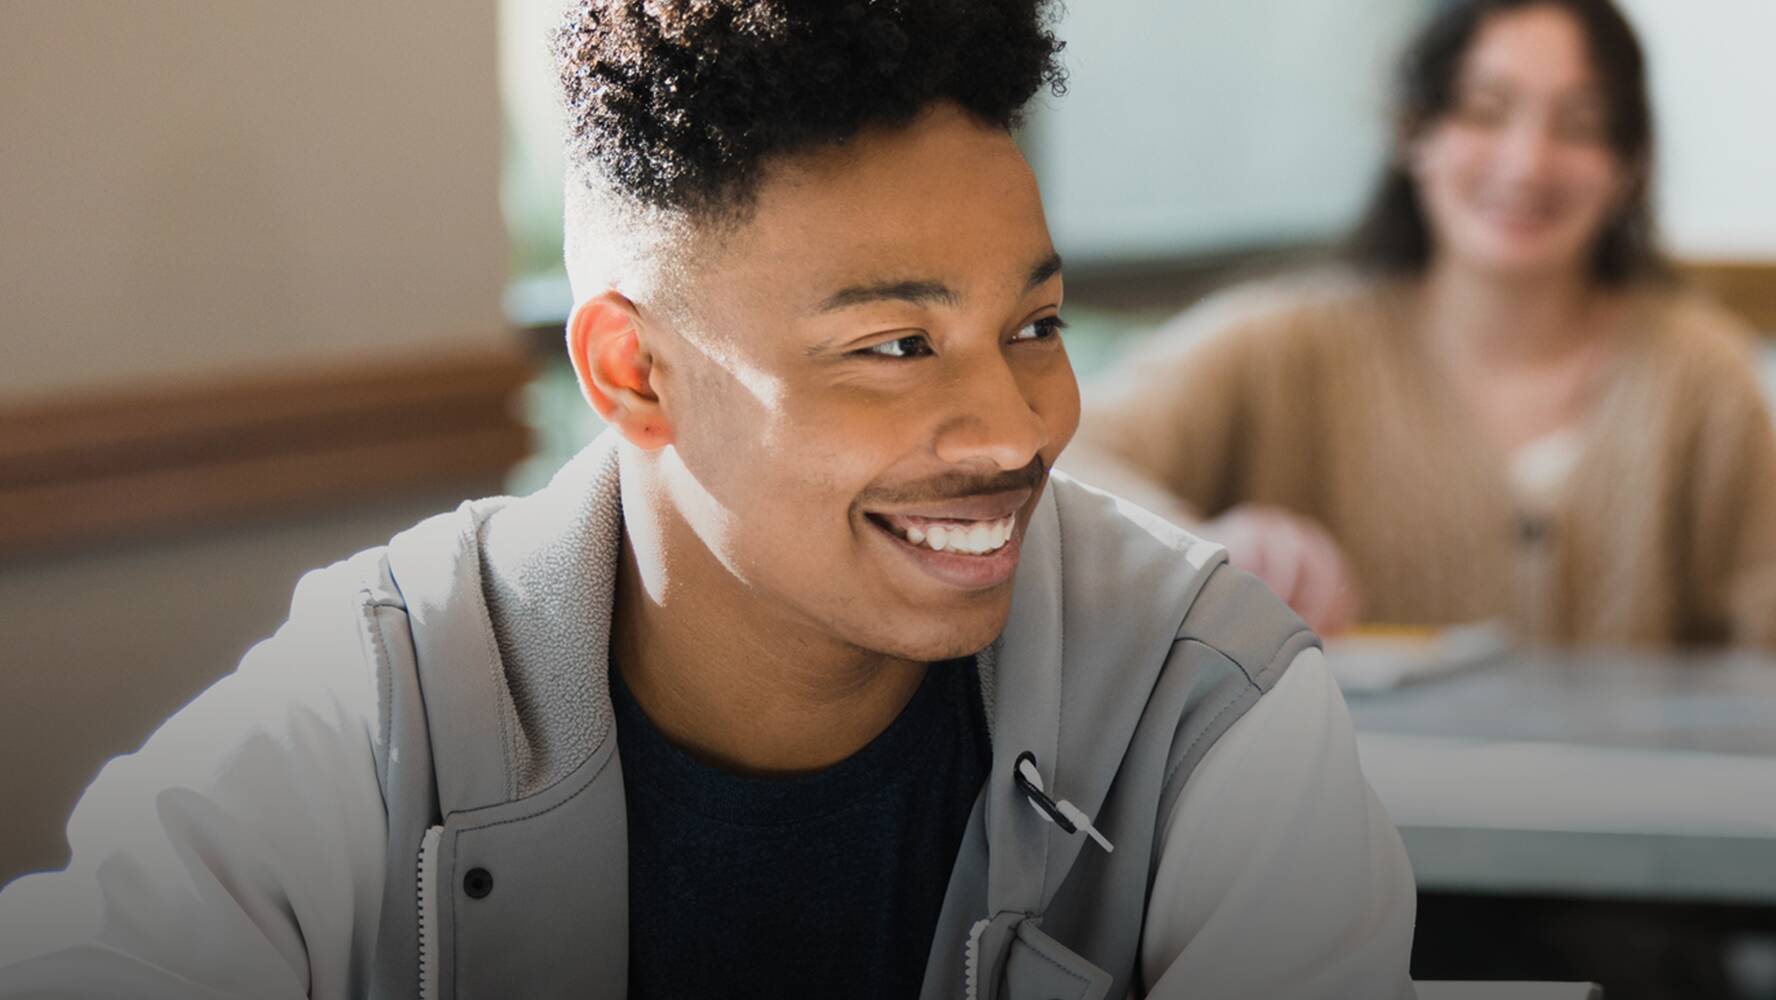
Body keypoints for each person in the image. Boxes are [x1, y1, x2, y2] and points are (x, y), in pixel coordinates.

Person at [0, 2, 1416, 997]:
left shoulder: (1209, 708)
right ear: (634, 373)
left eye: (1034, 326)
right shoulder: (391, 692)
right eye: (895, 347)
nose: (1016, 427)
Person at [1069, 0, 1776, 646]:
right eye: (1486, 111)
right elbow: (1064, 452)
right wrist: (1198, 544)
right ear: (1415, 132)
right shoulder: (1286, 342)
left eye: (1580, 125)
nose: (1527, 163)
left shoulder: (1700, 372)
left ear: (1627, 166)